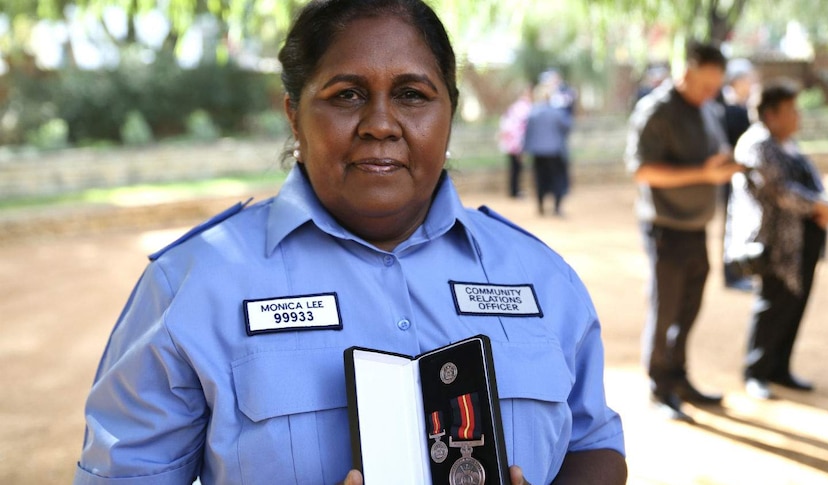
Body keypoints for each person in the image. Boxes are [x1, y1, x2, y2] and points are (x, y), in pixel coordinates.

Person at [72, 1, 627, 484]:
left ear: (449, 113)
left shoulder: (540, 276)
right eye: (347, 95)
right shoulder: (193, 286)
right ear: (294, 113)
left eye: (412, 94)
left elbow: (595, 444)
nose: (380, 124)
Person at [625, 41, 743, 421]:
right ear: (686, 73)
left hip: (696, 226)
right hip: (665, 227)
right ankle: (660, 387)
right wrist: (704, 174)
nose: (713, 92)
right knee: (666, 309)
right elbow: (642, 171)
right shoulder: (656, 111)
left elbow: (712, 150)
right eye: (707, 84)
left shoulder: (707, 107)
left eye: (717, 85)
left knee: (689, 307)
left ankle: (679, 377)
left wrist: (724, 163)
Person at [728, 80, 828, 400]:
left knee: (794, 305)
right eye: (791, 110)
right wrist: (817, 206)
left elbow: (813, 182)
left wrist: (823, 203)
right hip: (776, 244)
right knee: (773, 305)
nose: (797, 116)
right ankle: (756, 372)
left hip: (803, 240)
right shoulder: (757, 144)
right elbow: (777, 190)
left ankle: (780, 368)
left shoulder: (788, 143)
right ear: (771, 115)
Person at [717, 58, 759, 291]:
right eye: (748, 79)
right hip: (730, 176)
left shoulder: (740, 105)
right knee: (731, 225)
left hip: (740, 176)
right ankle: (731, 276)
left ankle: (738, 272)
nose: (751, 83)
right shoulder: (727, 107)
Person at [522, 83, 573, 216]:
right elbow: (567, 127)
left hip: (538, 153)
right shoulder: (557, 112)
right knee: (557, 178)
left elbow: (527, 133)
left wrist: (525, 150)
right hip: (555, 151)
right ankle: (557, 208)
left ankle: (541, 207)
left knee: (540, 179)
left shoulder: (532, 113)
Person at [497, 86, 532, 198]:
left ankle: (514, 190)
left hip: (510, 143)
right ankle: (515, 191)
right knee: (516, 168)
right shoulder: (524, 108)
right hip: (516, 144)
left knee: (514, 167)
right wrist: (519, 146)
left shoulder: (514, 108)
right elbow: (521, 128)